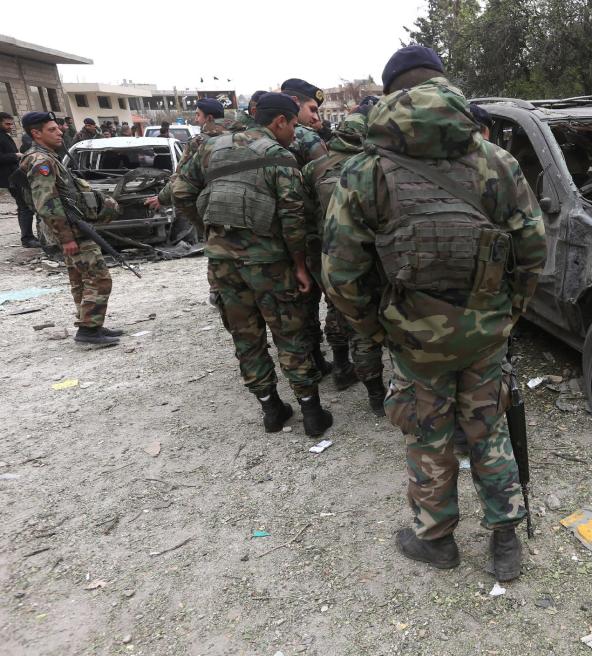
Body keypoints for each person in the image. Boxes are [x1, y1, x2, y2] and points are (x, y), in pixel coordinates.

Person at [322, 46, 546, 580]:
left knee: (428, 435)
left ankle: (438, 542)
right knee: (488, 429)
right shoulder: (496, 161)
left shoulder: (366, 171)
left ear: (392, 91)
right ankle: (505, 544)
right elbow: (533, 250)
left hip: (412, 337)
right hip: (486, 331)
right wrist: (507, 314)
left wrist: (375, 329)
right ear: (443, 84)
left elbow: (340, 272)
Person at [172, 93, 333, 437]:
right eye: (293, 124)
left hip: (223, 265)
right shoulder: (279, 156)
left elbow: (180, 192)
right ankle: (313, 414)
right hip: (271, 264)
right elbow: (293, 219)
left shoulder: (209, 148)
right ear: (279, 122)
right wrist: (301, 266)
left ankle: (271, 409)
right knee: (290, 334)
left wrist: (209, 231)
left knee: (246, 338)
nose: (294, 131)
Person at [302, 101, 385, 410]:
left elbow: (304, 217)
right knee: (369, 325)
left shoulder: (315, 167)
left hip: (329, 256)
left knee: (339, 312)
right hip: (371, 255)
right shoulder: (375, 166)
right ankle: (377, 396)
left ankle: (340, 366)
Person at [18, 112, 122, 345]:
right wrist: (66, 238)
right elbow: (46, 203)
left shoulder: (46, 157)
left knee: (80, 279)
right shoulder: (41, 161)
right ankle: (89, 330)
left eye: (58, 128)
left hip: (70, 228)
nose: (60, 132)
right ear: (36, 133)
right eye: (52, 129)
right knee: (99, 278)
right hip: (71, 231)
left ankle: (91, 324)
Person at [1, 112, 41, 248]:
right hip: (11, 178)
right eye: (7, 124)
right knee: (25, 208)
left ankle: (28, 237)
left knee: (24, 207)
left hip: (15, 176)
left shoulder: (5, 136)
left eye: (11, 123)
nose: (10, 126)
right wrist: (15, 155)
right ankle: (28, 238)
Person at [279, 78, 328, 167]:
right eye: (312, 110)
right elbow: (328, 173)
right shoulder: (307, 136)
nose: (316, 118)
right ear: (295, 102)